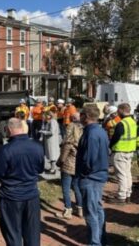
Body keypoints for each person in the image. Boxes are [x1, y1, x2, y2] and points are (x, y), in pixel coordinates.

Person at [0, 118, 44, 246]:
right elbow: (40, 168)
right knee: (32, 234)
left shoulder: (6, 149)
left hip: (11, 196)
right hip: (31, 195)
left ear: (9, 129)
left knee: (13, 234)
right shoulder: (37, 146)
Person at [76, 105, 109, 245]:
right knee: (97, 209)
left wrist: (83, 173)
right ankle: (101, 239)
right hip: (98, 176)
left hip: (91, 178)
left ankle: (95, 242)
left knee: (91, 213)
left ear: (86, 116)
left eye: (81, 114)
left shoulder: (91, 134)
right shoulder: (100, 131)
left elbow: (89, 159)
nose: (79, 116)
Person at [56, 112, 83, 219]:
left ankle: (68, 210)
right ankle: (80, 209)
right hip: (78, 167)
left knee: (66, 189)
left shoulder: (68, 143)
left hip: (67, 168)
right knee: (77, 187)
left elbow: (62, 158)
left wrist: (58, 163)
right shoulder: (82, 141)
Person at [107, 103, 137, 204]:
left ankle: (121, 197)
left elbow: (116, 137)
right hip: (130, 151)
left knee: (121, 175)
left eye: (118, 110)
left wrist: (110, 146)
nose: (117, 112)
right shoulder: (133, 122)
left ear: (122, 110)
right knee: (127, 174)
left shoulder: (121, 123)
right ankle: (127, 194)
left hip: (120, 151)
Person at [40, 110, 61, 174]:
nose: (45, 116)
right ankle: (52, 167)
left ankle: (53, 169)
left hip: (52, 141)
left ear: (50, 115)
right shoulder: (48, 121)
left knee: (52, 155)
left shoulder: (53, 122)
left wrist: (43, 132)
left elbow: (51, 132)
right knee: (51, 155)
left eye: (46, 115)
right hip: (49, 141)